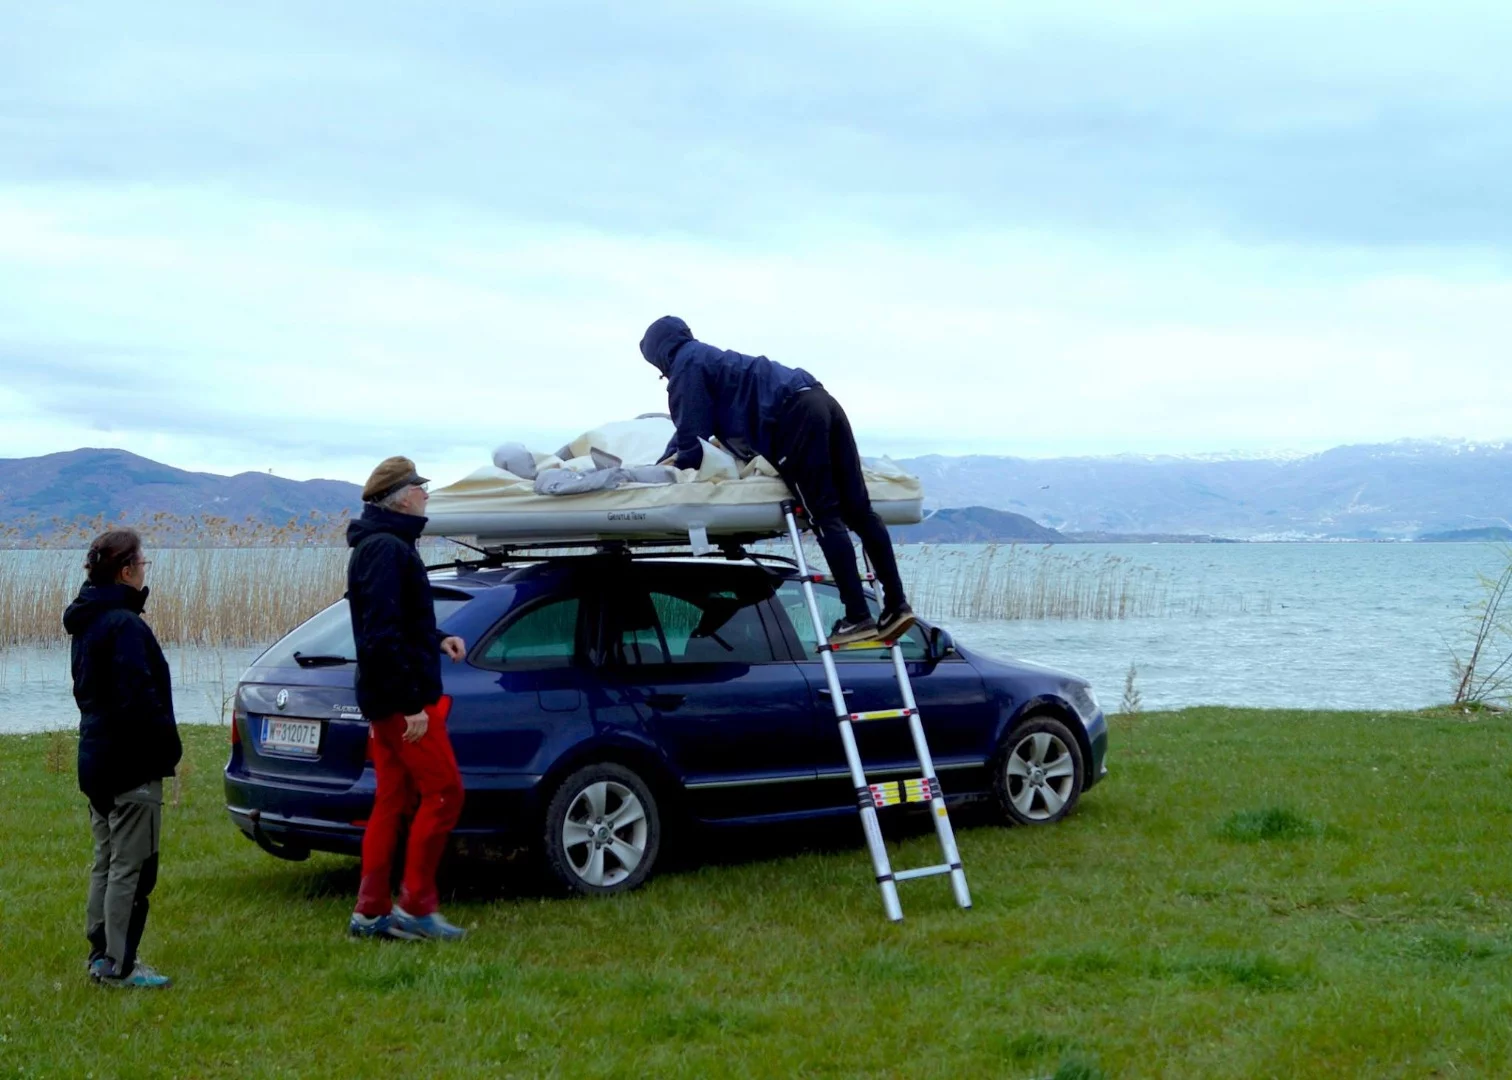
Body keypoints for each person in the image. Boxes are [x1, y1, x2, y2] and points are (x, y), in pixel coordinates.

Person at [640, 315, 914, 645]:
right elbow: (697, 426)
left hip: (794, 418)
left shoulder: (685, 367)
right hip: (821, 399)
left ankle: (857, 616)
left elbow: (692, 436)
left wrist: (670, 468)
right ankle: (896, 606)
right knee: (859, 511)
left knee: (823, 516)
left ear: (660, 354)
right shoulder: (712, 358)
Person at [345, 456, 469, 941]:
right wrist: (411, 702)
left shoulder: (388, 546)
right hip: (401, 701)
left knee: (393, 799)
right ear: (401, 497)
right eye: (420, 488)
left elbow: (399, 618)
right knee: (444, 793)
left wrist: (437, 637)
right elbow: (380, 634)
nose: (426, 495)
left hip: (388, 696)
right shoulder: (385, 550)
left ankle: (371, 912)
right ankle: (415, 907)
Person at [64, 529, 182, 989]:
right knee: (132, 865)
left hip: (95, 756)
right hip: (129, 762)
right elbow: (139, 700)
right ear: (127, 570)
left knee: (107, 858)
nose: (144, 571)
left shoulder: (89, 621)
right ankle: (119, 963)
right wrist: (166, 751)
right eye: (143, 564)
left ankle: (102, 953)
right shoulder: (125, 625)